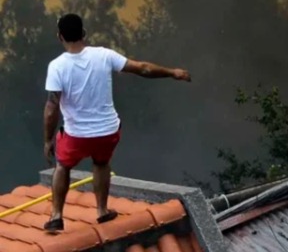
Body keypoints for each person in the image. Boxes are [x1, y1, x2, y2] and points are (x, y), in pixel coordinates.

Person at [42, 13, 191, 233]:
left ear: (59, 36)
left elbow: (51, 108)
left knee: (63, 166)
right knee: (101, 163)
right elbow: (143, 68)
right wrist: (172, 72)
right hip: (108, 132)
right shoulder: (104, 55)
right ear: (84, 33)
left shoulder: (57, 66)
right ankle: (102, 211)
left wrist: (47, 140)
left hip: (76, 136)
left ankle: (56, 216)